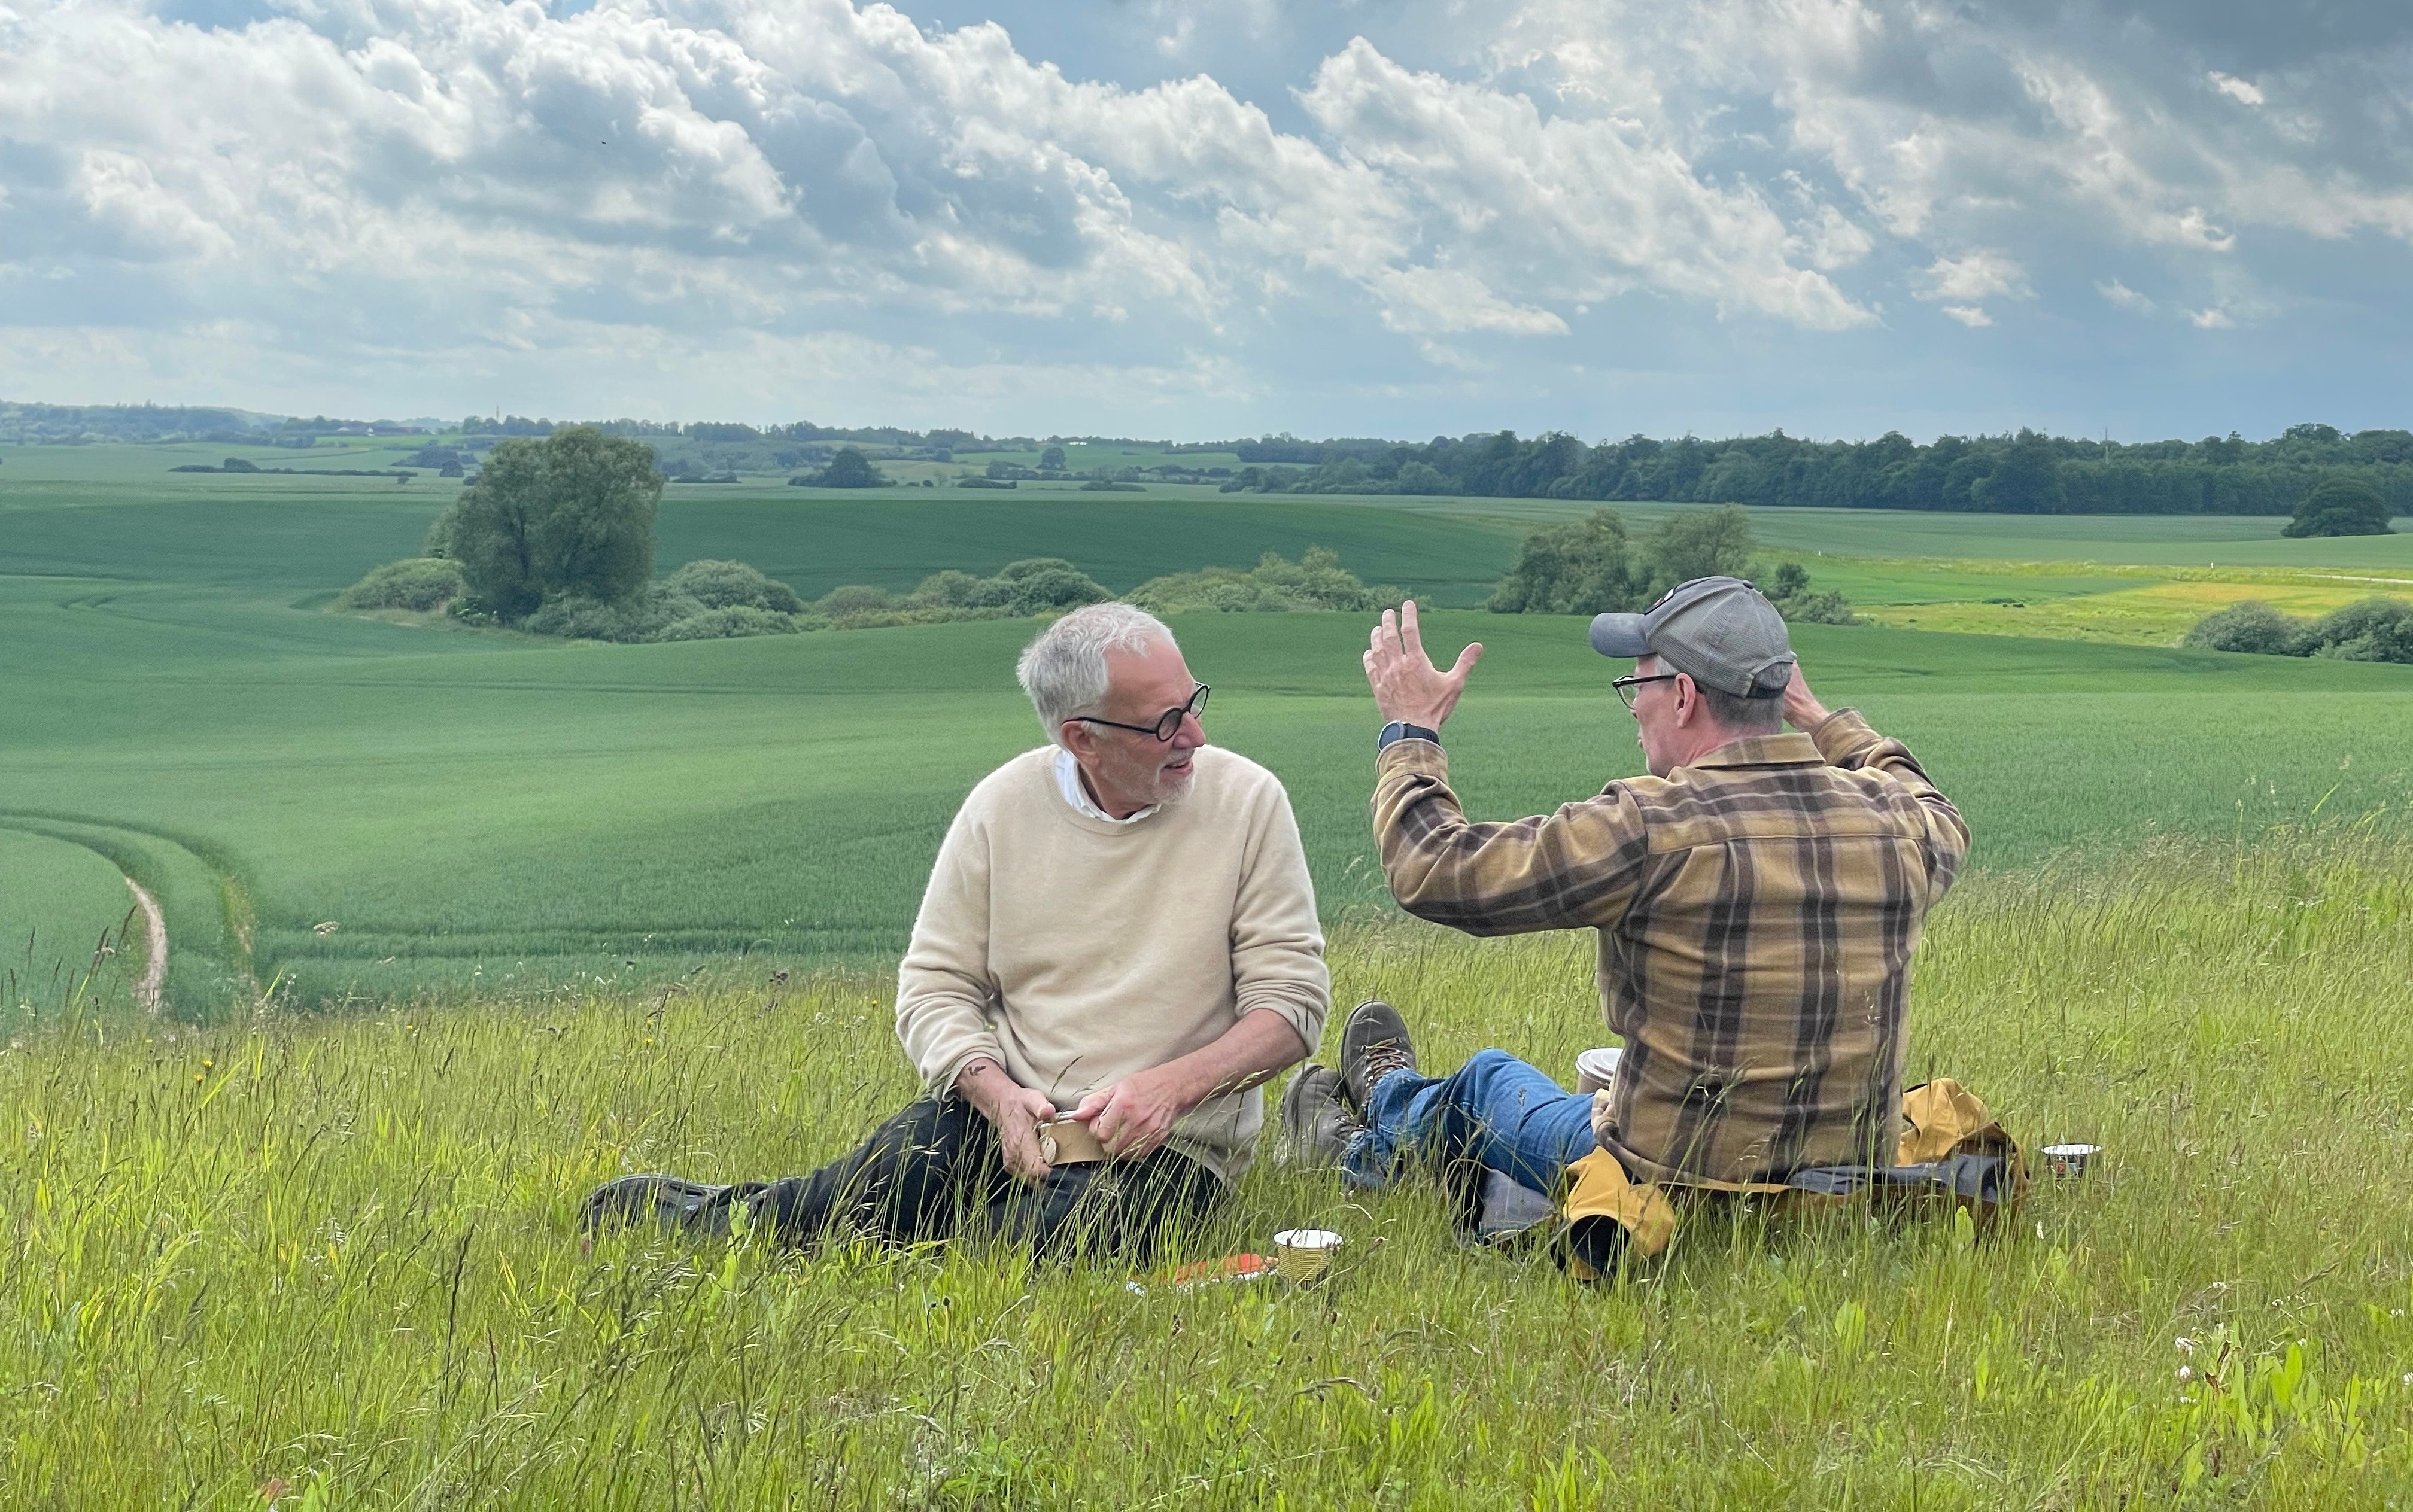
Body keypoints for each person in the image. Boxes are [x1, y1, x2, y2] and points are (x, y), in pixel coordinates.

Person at [588, 601, 1330, 1262]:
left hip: (1168, 1148)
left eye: (1192, 702)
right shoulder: (1001, 807)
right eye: (1165, 722)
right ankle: (729, 1217)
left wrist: (1171, 1090)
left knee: (1024, 1253)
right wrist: (994, 1092)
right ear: (1083, 739)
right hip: (1002, 1117)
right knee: (873, 1192)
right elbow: (935, 987)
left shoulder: (1248, 802)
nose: (1195, 735)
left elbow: (1291, 1008)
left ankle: (943, 1248)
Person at [1278, 577, 1970, 1252]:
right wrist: (1819, 718)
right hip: (1844, 1181)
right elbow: (1933, 803)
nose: (1634, 708)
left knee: (1490, 1081)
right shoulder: (1900, 824)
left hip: (1667, 1180)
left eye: (1636, 686)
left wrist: (1412, 731)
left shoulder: (1650, 827)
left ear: (1684, 697)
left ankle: (1371, 1126)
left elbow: (1433, 868)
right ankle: (1380, 1120)